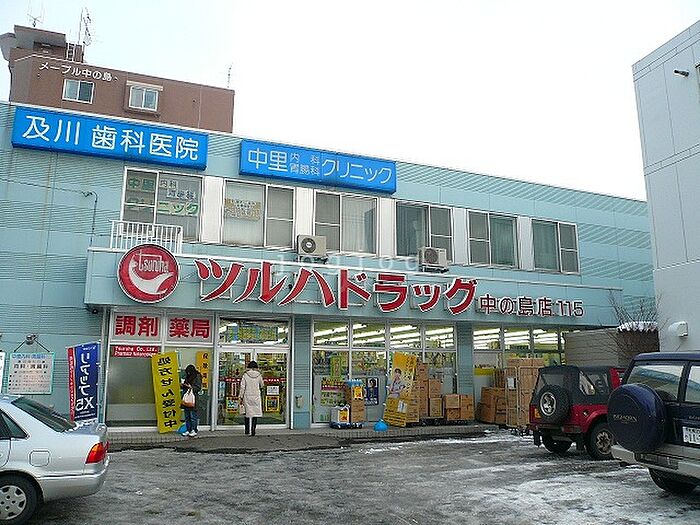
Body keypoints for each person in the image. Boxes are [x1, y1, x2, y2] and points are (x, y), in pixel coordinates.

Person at [239, 360, 264, 436]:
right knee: (255, 413)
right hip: (256, 396)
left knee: (247, 413)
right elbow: (262, 385)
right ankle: (253, 429)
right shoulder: (259, 375)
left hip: (247, 395)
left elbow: (242, 387)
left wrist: (241, 396)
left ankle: (247, 430)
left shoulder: (245, 375)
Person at [181, 364, 202, 437]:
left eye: (189, 372)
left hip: (193, 399)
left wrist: (191, 387)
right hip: (186, 398)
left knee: (193, 416)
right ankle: (188, 429)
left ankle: (194, 430)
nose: (188, 373)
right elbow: (185, 386)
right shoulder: (188, 376)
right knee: (187, 416)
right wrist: (183, 385)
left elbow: (198, 388)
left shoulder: (197, 376)